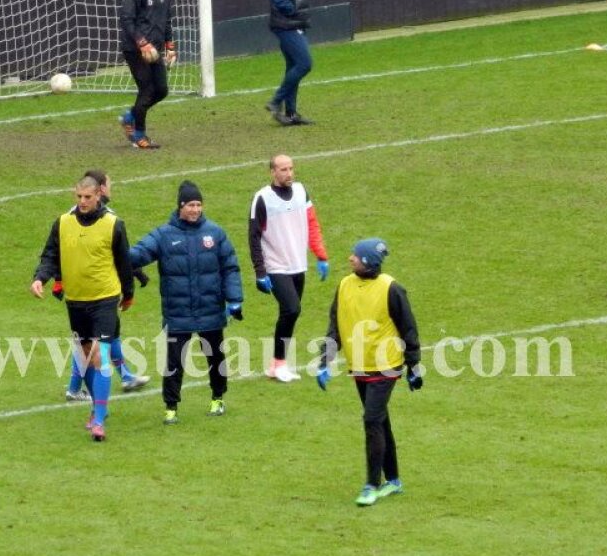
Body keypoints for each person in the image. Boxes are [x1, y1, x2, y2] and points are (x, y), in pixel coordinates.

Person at [316, 238, 422, 507]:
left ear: (368, 262)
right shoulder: (344, 285)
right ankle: (393, 480)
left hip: (386, 366)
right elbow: (335, 325)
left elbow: (408, 329)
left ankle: (372, 485)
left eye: (356, 255)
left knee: (371, 420)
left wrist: (413, 366)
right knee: (380, 420)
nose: (350, 258)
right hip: (359, 365)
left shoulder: (391, 289)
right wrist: (325, 360)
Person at [130, 180, 244, 424]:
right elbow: (139, 254)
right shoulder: (163, 235)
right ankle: (171, 407)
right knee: (174, 362)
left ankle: (218, 397)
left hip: (210, 310)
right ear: (180, 206)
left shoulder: (215, 233)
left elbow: (230, 267)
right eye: (190, 205)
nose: (195, 210)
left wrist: (235, 299)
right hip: (178, 312)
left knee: (215, 358)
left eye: (198, 205)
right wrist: (117, 249)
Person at [32, 174, 135, 442]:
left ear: (99, 195)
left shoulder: (113, 224)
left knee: (100, 356)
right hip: (76, 300)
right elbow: (50, 255)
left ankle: (99, 420)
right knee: (87, 356)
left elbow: (124, 262)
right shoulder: (62, 223)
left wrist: (128, 294)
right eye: (79, 196)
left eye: (88, 197)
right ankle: (99, 407)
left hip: (105, 298)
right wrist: (40, 278)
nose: (83, 201)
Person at [62, 169, 151, 402]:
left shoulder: (103, 216)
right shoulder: (90, 218)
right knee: (92, 343)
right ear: (101, 189)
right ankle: (77, 388)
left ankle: (125, 376)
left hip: (100, 290)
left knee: (107, 337)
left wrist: (136, 273)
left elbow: (117, 254)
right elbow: (116, 256)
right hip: (93, 292)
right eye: (109, 184)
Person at [248, 154, 329, 382]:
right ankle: (279, 364)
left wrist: (321, 255)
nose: (289, 173)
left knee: (291, 314)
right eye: (283, 169)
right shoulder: (262, 198)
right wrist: (260, 272)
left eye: (291, 168)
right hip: (275, 266)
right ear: (272, 172)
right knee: (291, 309)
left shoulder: (302, 192)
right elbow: (253, 236)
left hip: (298, 264)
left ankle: (276, 366)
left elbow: (312, 223)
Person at [118, 0, 175, 150]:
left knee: (162, 90)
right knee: (147, 90)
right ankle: (139, 135)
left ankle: (130, 117)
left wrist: (170, 45)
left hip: (155, 49)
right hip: (135, 49)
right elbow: (126, 20)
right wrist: (142, 43)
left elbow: (167, 18)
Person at [266, 0, 314, 127]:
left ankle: (291, 113)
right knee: (304, 64)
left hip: (293, 22)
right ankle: (276, 101)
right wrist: (293, 11)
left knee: (293, 66)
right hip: (286, 24)